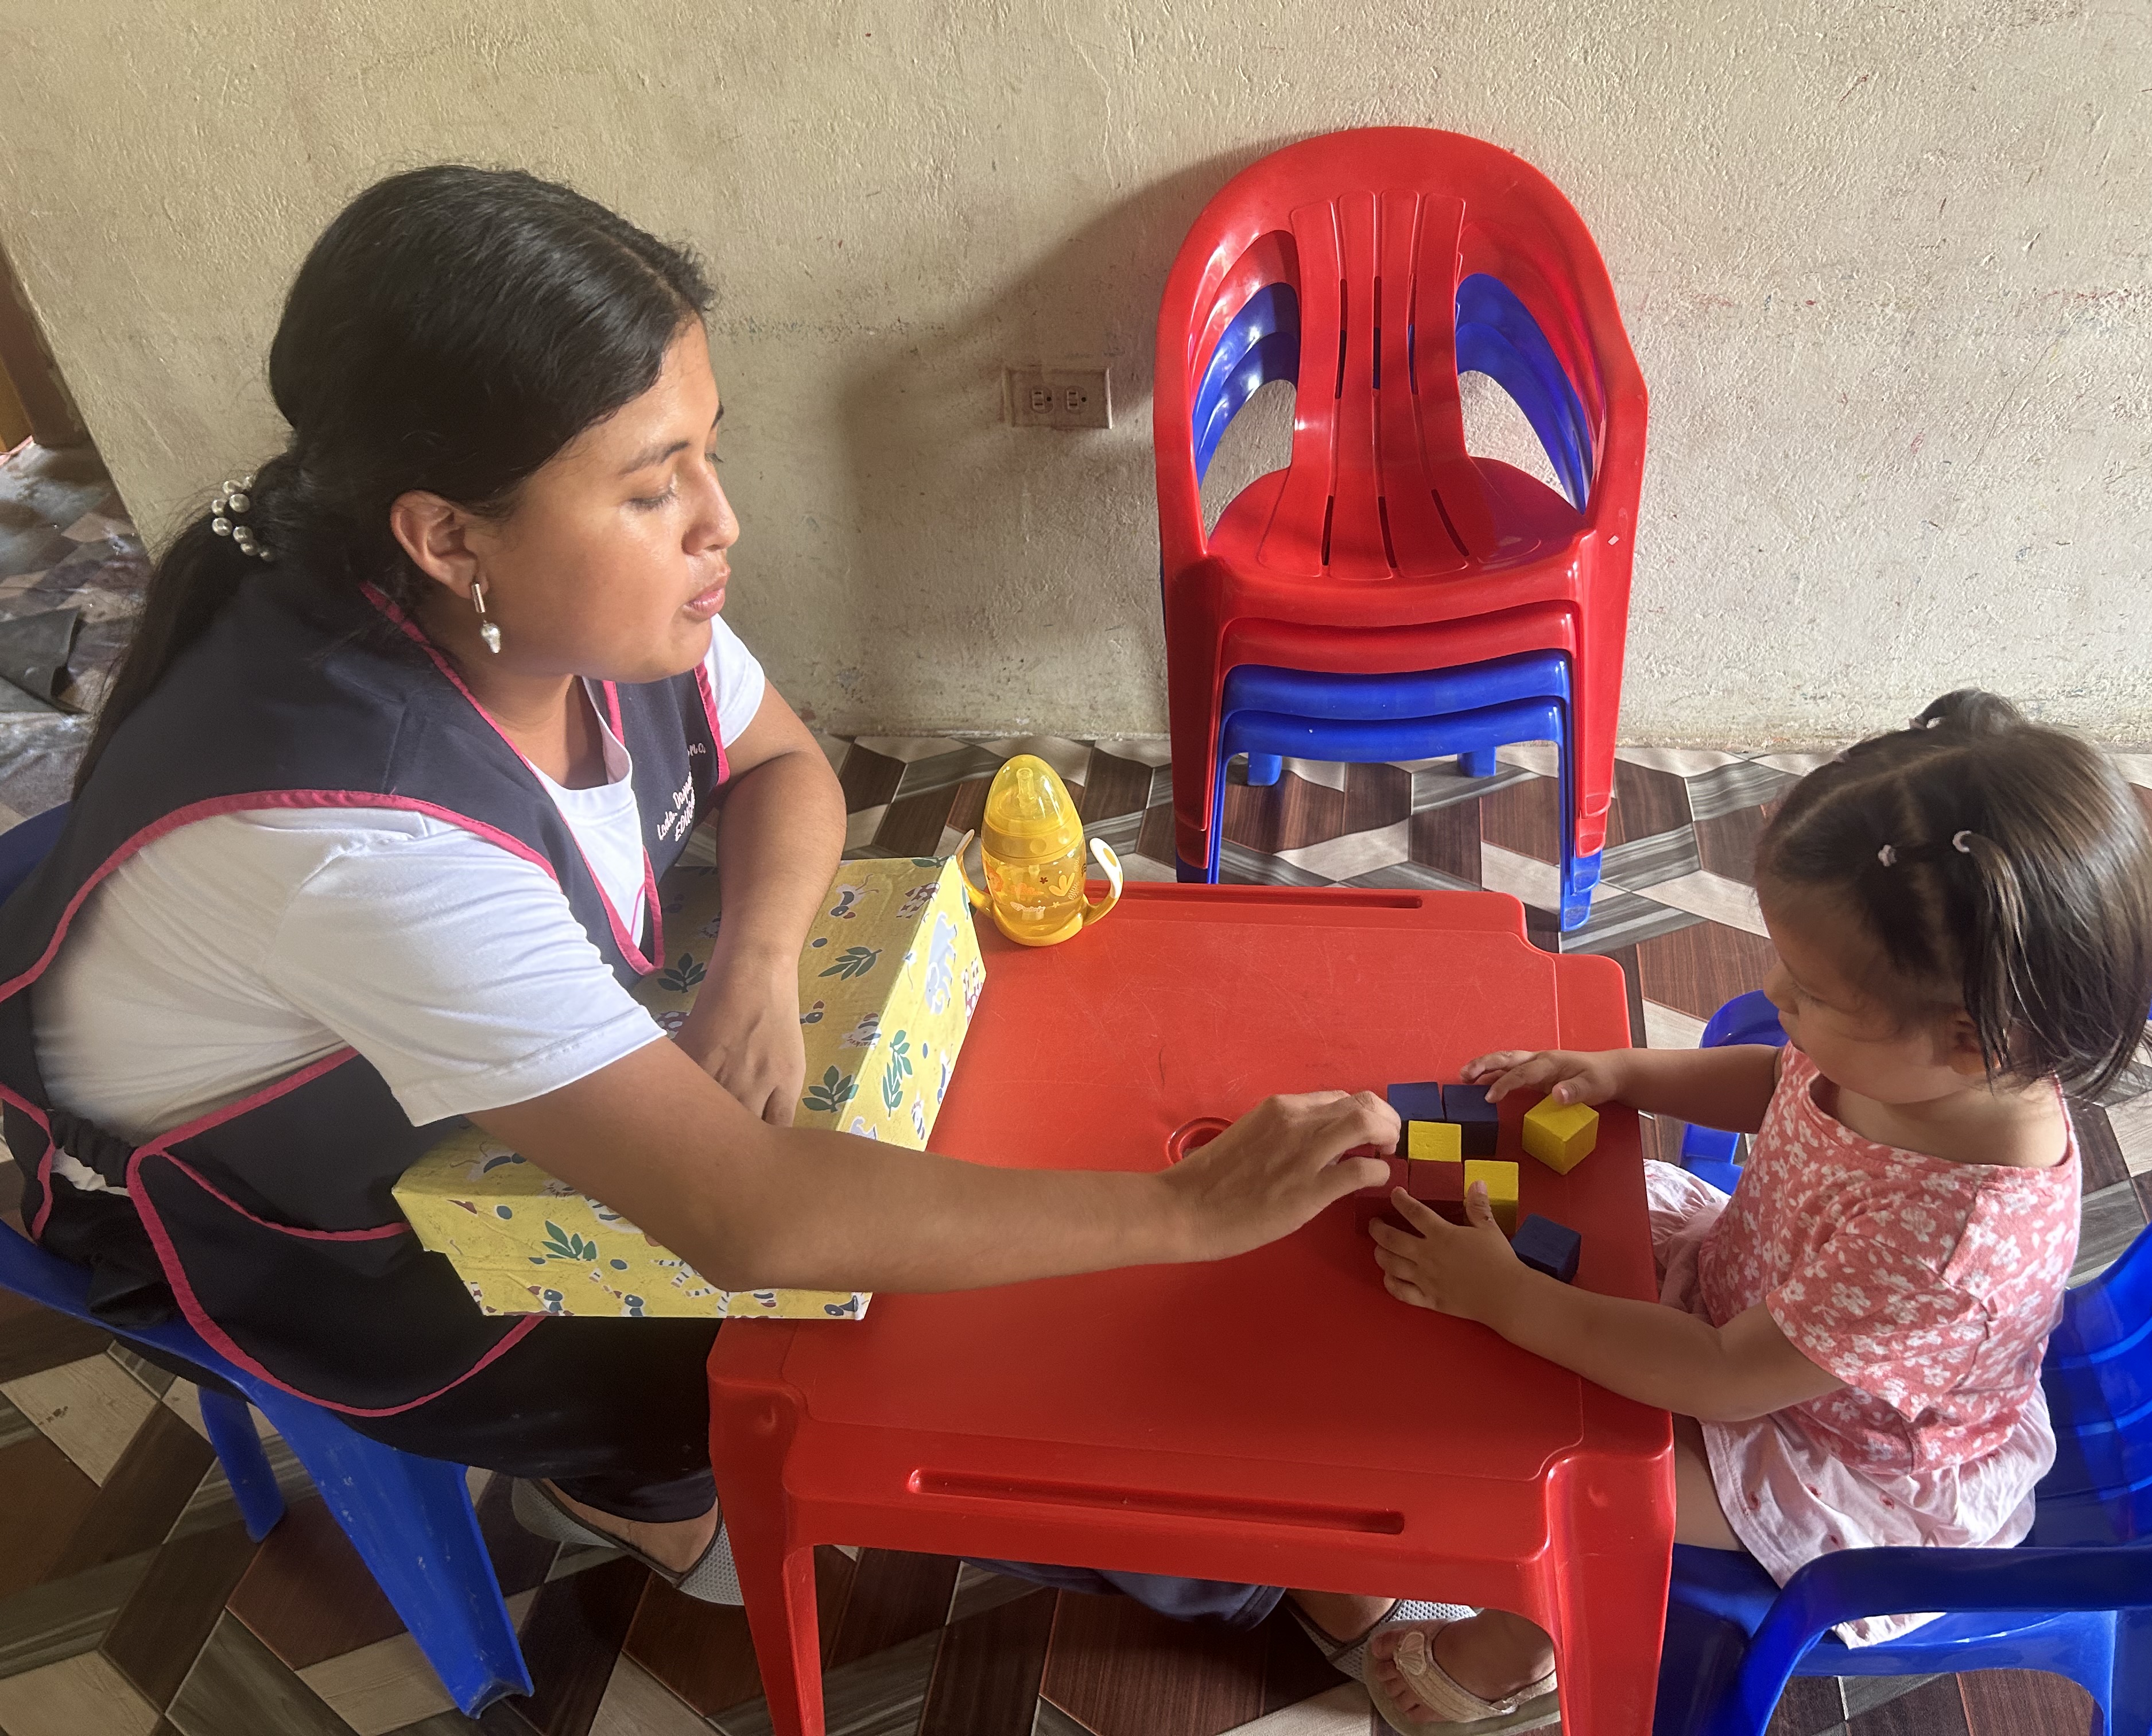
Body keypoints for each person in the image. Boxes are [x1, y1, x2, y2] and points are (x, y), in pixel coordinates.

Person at [0, 165, 1399, 1607]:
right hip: (323, 1238)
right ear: (449, 536)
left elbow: (784, 762)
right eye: (654, 486)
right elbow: (750, 1221)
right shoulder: (361, 850)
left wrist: (756, 968)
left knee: (976, 1129)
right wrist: (1182, 1215)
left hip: (415, 1064)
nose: (720, 523)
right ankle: (658, 1495)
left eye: (708, 456)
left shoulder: (542, 608)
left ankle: (1243, 1525)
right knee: (876, 1344)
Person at [1351, 691, 2152, 1734]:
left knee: (1577, 1472)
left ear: (1969, 1039)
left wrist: (1509, 1301)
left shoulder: (1951, 1242)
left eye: (1812, 993)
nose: (1774, 989)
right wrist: (1624, 1073)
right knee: (1552, 1262)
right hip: (1752, 1301)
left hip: (1826, 1452)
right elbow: (1778, 1082)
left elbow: (1722, 1377)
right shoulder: (1929, 1065)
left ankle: (1523, 1648)